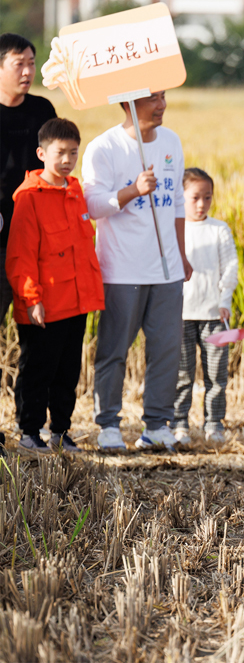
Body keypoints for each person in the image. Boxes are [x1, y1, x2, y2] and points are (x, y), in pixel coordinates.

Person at [82, 90, 193, 452]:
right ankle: (109, 424)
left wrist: (181, 253)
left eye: (163, 97)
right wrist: (132, 190)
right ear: (128, 103)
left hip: (166, 269)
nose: (161, 105)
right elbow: (93, 205)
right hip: (121, 268)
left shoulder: (171, 141)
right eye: (152, 99)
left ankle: (157, 424)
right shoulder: (104, 148)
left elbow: (177, 201)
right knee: (114, 350)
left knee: (165, 350)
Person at [6, 118, 103, 453]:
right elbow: (20, 255)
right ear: (41, 153)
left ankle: (61, 430)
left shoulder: (75, 191)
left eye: (73, 152)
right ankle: (29, 431)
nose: (67, 159)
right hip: (44, 304)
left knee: (67, 371)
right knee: (37, 370)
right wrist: (31, 299)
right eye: (60, 152)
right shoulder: (29, 197)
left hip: (77, 301)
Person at [173, 168, 238, 445]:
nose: (202, 204)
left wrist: (225, 301)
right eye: (195, 198)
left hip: (214, 317)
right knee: (182, 376)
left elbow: (231, 267)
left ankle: (214, 424)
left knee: (216, 376)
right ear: (181, 197)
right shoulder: (175, 229)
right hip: (182, 316)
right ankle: (179, 425)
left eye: (207, 197)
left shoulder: (219, 229)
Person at [1, 34, 57, 322]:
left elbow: (60, 160)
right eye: (18, 63)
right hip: (0, 236)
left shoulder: (42, 110)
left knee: (40, 328)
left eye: (32, 63)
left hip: (37, 239)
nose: (27, 71)